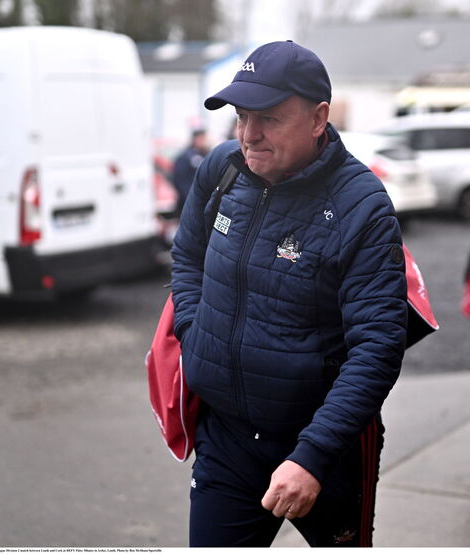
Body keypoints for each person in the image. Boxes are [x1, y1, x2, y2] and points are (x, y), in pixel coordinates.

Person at [170, 40, 408, 547]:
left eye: (269, 118)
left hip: (323, 447)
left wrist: (313, 456)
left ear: (319, 118)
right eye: (241, 116)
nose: (248, 134)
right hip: (227, 439)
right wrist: (194, 335)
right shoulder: (223, 170)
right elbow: (187, 257)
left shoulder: (361, 206)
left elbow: (378, 345)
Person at [172, 129, 209, 216]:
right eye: (201, 138)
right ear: (195, 139)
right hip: (188, 199)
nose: (203, 142)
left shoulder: (205, 154)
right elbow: (179, 178)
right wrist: (187, 195)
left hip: (202, 199)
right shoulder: (186, 156)